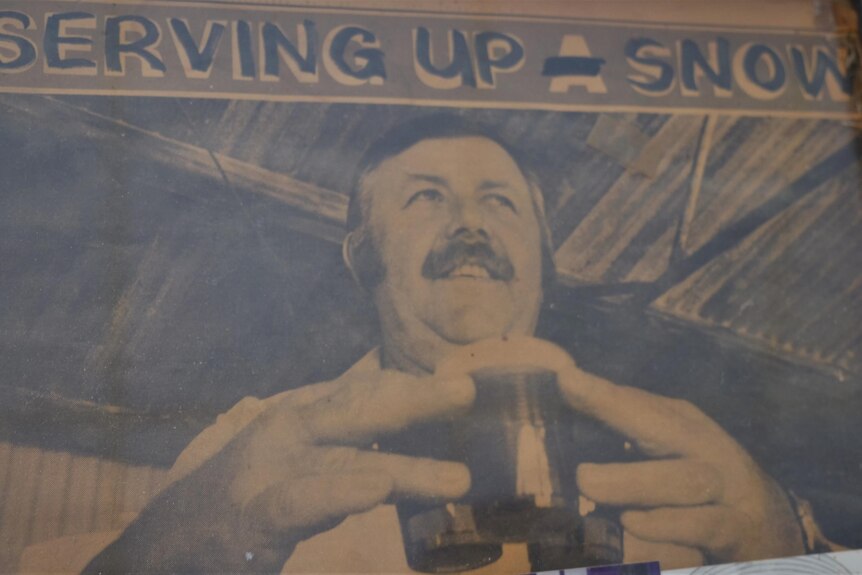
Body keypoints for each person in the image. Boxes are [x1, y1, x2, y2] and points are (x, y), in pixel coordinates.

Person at [84, 115, 811, 573]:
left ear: (545, 260)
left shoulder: (674, 462)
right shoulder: (255, 443)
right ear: (361, 255)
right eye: (425, 196)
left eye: (499, 200)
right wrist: (152, 559)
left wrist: (787, 551)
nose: (471, 224)